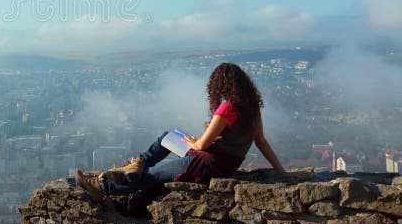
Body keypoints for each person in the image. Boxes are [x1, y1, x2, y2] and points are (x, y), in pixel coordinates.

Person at [74, 62, 291, 203]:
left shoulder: (227, 108)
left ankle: (102, 187)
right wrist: (282, 172)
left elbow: (202, 147)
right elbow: (261, 142)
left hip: (206, 164)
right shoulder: (252, 109)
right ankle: (137, 165)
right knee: (168, 137)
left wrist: (193, 142)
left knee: (153, 174)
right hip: (224, 165)